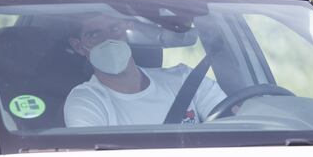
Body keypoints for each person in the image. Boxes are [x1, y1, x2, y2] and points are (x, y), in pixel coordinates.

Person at [64, 12, 226, 127]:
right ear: (79, 46)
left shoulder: (186, 79)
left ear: (127, 29)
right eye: (95, 35)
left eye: (115, 29)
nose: (109, 41)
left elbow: (234, 122)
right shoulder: (86, 101)